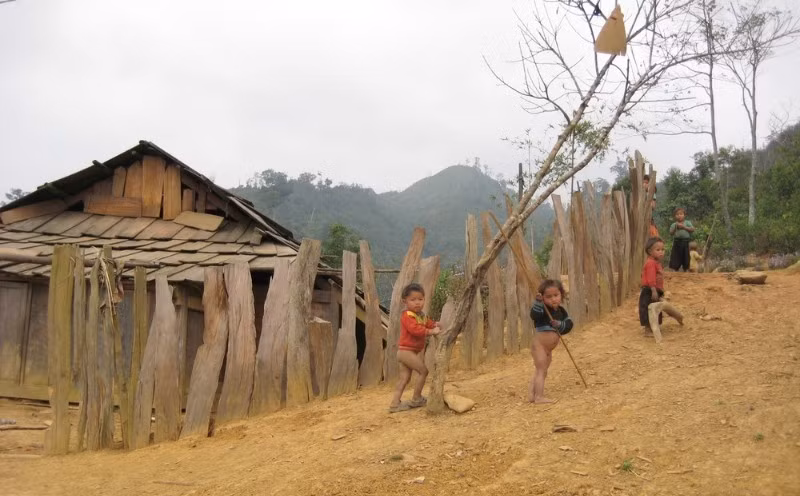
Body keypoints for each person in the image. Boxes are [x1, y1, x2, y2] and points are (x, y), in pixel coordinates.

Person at [388, 283, 441, 413]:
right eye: (413, 300)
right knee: (423, 371)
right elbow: (415, 330)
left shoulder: (421, 315)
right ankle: (417, 398)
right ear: (404, 301)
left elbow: (428, 322)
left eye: (420, 299)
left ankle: (395, 404)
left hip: (406, 352)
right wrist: (430, 332)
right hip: (406, 351)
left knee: (404, 378)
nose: (417, 302)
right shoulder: (408, 316)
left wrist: (436, 324)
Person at [529, 279, 573, 404]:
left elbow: (569, 325)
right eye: (548, 297)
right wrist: (538, 303)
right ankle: (539, 397)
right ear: (542, 298)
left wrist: (559, 325)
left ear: (561, 295)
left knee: (542, 371)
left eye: (556, 295)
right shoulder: (542, 309)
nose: (553, 299)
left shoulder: (561, 312)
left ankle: (532, 395)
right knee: (541, 370)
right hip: (540, 346)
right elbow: (534, 315)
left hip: (548, 350)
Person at [639, 237, 683, 336]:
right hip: (649, 290)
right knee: (649, 309)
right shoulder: (651, 263)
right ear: (650, 251)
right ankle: (648, 330)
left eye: (662, 249)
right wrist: (653, 290)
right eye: (658, 250)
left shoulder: (657, 263)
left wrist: (660, 291)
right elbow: (651, 278)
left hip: (655, 290)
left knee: (657, 309)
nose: (661, 252)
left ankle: (654, 327)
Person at [668, 207, 694, 271]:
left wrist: (684, 227)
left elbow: (692, 229)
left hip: (685, 242)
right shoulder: (674, 224)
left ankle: (686, 268)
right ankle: (675, 269)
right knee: (676, 256)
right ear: (675, 216)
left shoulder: (687, 222)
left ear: (684, 215)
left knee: (686, 256)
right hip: (677, 242)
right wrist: (675, 227)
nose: (679, 215)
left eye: (681, 214)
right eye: (677, 214)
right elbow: (671, 233)